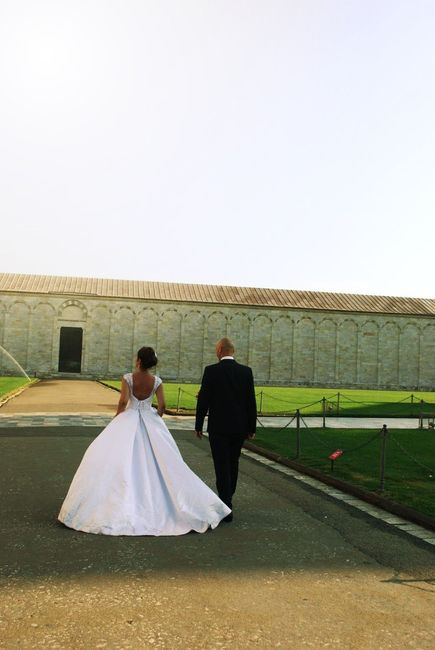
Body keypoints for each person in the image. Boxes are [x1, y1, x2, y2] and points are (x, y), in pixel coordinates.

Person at [58, 347, 230, 536]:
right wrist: (156, 416)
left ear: (139, 360)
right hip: (150, 419)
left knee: (113, 458)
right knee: (163, 461)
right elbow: (163, 405)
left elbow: (124, 401)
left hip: (129, 418)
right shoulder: (156, 381)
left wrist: (117, 417)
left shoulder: (128, 378)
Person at [195, 337, 257, 522]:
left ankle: (226, 503)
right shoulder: (246, 372)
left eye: (216, 349)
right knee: (233, 462)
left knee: (221, 465)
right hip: (239, 427)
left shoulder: (211, 371)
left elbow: (204, 399)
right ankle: (228, 498)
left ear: (220, 350)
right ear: (233, 351)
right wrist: (251, 427)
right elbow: (250, 401)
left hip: (218, 427)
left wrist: (199, 424)